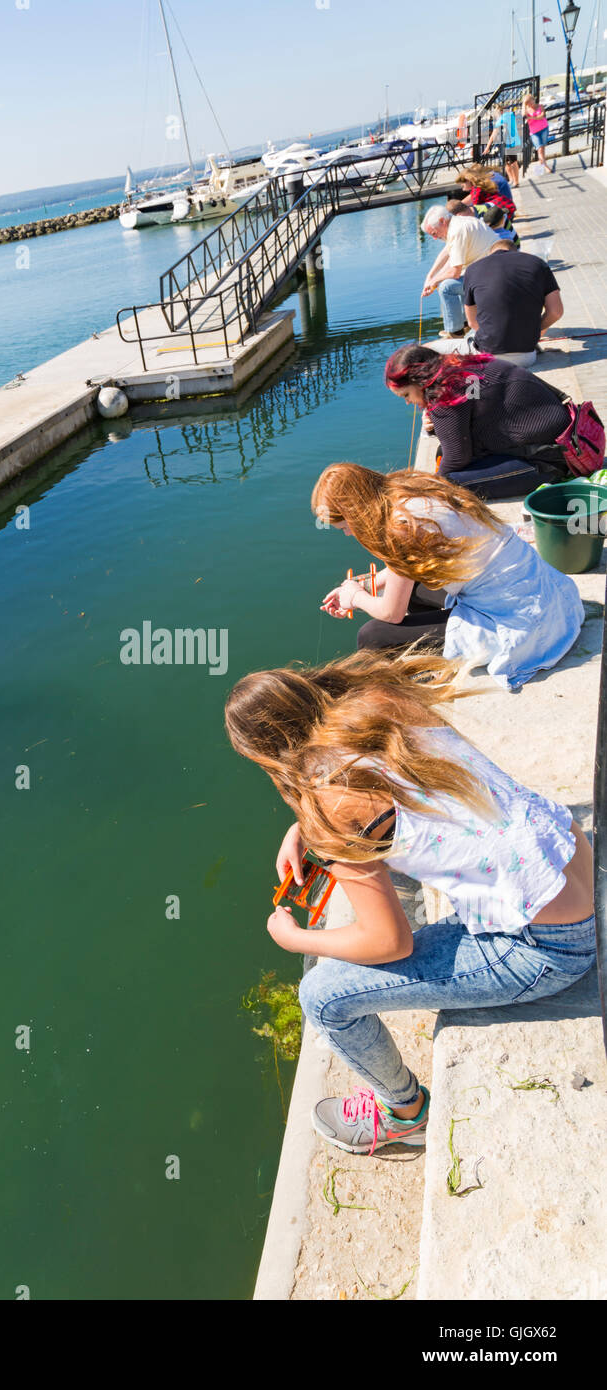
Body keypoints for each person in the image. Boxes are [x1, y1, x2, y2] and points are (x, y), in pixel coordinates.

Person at [223, 651, 596, 1155]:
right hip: (575, 860)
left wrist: (297, 938)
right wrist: (305, 833)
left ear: (266, 756)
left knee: (322, 998)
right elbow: (384, 793)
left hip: (548, 948)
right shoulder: (378, 700)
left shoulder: (331, 811)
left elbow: (388, 941)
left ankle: (404, 1114)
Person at [314, 463, 584, 689]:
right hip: (541, 595)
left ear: (355, 514)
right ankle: (436, 649)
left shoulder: (398, 527)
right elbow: (402, 574)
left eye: (344, 527)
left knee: (372, 636)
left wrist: (357, 597)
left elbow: (390, 614)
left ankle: (405, 688)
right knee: (415, 591)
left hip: (520, 621)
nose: (348, 533)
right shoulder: (408, 491)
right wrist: (360, 587)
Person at [385, 343, 569, 497]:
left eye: (406, 395)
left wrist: (433, 484)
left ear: (421, 380)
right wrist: (435, 426)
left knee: (446, 486)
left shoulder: (444, 392)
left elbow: (457, 457)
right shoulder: (458, 368)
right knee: (443, 457)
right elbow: (466, 421)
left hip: (551, 461)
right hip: (562, 442)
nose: (408, 402)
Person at [462, 241, 563, 368]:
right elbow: (556, 312)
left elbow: (472, 322)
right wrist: (534, 332)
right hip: (526, 357)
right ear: (516, 252)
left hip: (489, 357)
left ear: (490, 253)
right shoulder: (538, 264)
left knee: (465, 336)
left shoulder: (473, 269)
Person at [420, 205, 499, 338]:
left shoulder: (457, 231)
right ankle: (464, 324)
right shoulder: (459, 222)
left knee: (446, 287)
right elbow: (448, 251)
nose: (434, 238)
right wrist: (431, 276)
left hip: (491, 277)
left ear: (442, 221)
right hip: (491, 269)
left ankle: (455, 332)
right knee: (453, 281)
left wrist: (435, 281)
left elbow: (454, 272)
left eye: (434, 233)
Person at [484, 107, 521, 188]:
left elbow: (494, 134)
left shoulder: (506, 116)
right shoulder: (505, 117)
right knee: (506, 163)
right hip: (505, 143)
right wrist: (487, 147)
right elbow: (494, 135)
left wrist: (487, 147)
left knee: (513, 161)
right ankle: (511, 180)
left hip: (511, 142)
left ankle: (516, 182)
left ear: (500, 111)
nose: (495, 115)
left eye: (496, 112)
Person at [522, 92, 550, 174]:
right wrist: (524, 103)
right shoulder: (527, 110)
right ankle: (546, 166)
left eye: (531, 101)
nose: (530, 104)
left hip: (544, 128)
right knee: (540, 148)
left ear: (533, 100)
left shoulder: (540, 106)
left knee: (542, 148)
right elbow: (523, 115)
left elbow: (542, 116)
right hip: (534, 132)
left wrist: (531, 117)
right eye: (528, 103)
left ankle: (541, 165)